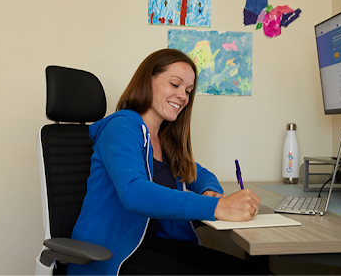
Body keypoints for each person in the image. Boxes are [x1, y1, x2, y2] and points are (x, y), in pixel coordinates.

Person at [68, 48, 261, 276]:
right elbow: (133, 191)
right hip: (112, 253)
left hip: (150, 245)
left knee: (249, 271)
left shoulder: (163, 139)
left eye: (188, 90)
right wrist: (217, 207)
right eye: (175, 84)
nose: (183, 96)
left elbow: (197, 173)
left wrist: (210, 191)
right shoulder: (121, 127)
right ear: (148, 80)